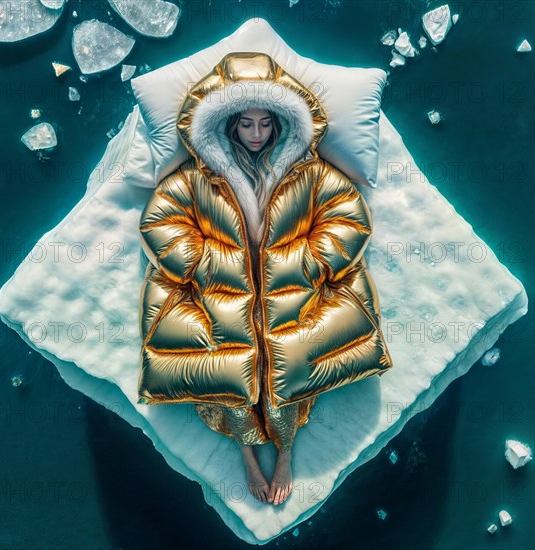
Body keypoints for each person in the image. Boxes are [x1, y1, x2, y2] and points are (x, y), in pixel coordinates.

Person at [137, 52, 393, 507]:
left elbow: (347, 217)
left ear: (279, 124)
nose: (256, 135)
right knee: (226, 368)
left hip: (291, 290)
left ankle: (286, 451)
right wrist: (201, 263)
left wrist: (312, 261)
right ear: (230, 125)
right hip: (219, 292)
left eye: (265, 124)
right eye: (246, 124)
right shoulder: (198, 179)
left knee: (288, 363)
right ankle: (248, 455)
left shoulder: (310, 174)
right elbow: (162, 222)